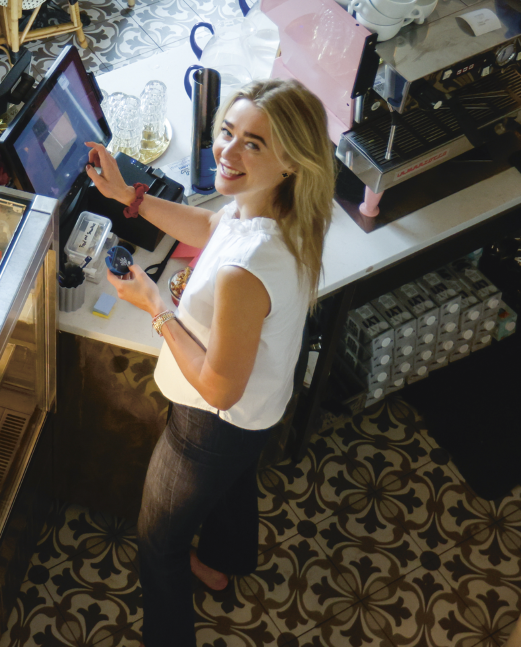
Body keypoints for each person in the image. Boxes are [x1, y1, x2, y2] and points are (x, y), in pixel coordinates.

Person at [82, 80, 336, 647]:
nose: (227, 151)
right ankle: (227, 561)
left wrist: (156, 305)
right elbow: (210, 228)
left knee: (158, 545)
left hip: (210, 424)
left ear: (290, 161)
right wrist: (131, 197)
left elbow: (219, 389)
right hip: (259, 412)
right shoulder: (277, 211)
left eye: (253, 144)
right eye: (228, 134)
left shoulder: (245, 272)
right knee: (236, 478)